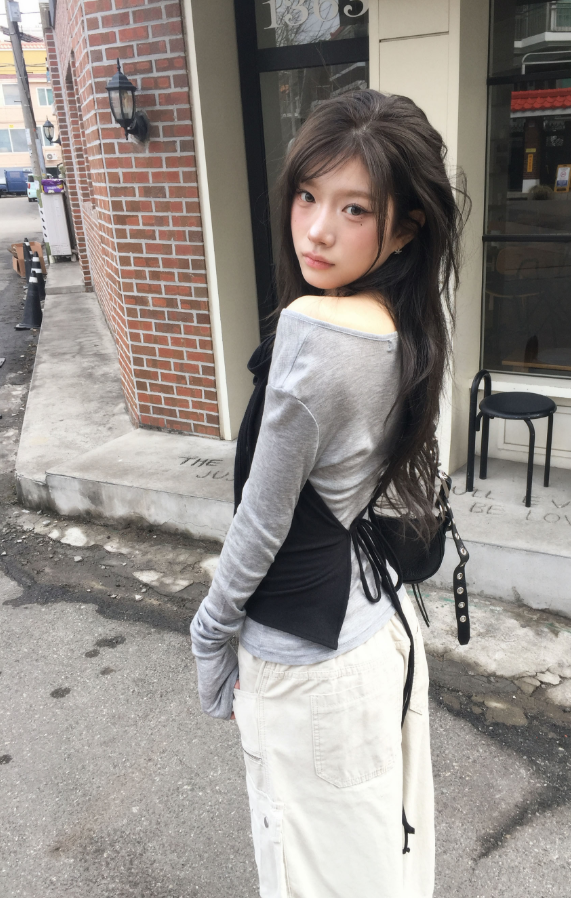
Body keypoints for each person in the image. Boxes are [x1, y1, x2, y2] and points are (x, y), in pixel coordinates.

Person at [190, 89, 465, 898]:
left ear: (405, 227)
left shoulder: (317, 329)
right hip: (378, 631)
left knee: (311, 877)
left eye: (354, 209)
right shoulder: (407, 320)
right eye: (307, 196)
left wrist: (209, 635)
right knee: (383, 862)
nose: (315, 229)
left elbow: (262, 519)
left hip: (308, 667)